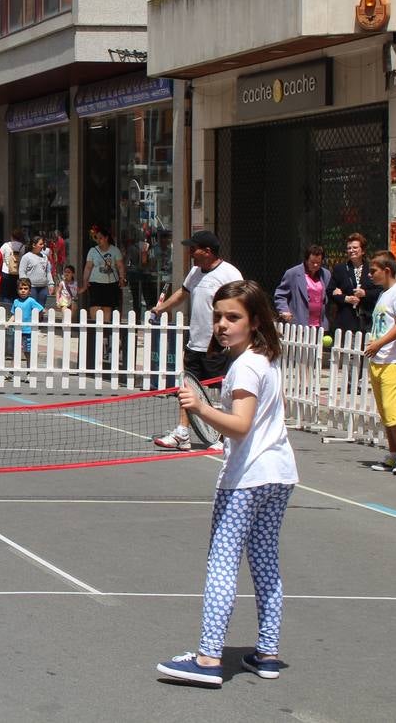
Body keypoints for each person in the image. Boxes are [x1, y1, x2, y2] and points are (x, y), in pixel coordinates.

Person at [157, 279, 297, 688]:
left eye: (232, 317)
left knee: (222, 563)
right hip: (279, 474)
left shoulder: (246, 366)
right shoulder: (263, 359)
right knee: (265, 560)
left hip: (248, 479)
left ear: (255, 321)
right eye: (218, 316)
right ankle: (267, 654)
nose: (222, 324)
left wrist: (199, 407)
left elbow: (239, 426)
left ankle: (207, 659)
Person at [151, 230, 243, 450]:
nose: (191, 253)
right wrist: (161, 308)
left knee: (224, 392)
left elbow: (242, 304)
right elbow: (182, 293)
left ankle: (224, 436)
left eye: (194, 249)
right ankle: (182, 433)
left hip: (219, 345)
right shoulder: (194, 272)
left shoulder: (230, 274)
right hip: (195, 343)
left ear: (208, 251)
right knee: (187, 389)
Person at [363, 251, 396, 476]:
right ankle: (394, 454)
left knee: (394, 410)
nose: (370, 275)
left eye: (373, 271)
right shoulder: (384, 294)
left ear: (387, 271)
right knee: (385, 411)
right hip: (380, 361)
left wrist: (379, 343)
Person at [330, 232, 381, 337]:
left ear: (363, 250)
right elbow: (330, 291)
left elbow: (379, 290)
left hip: (368, 319)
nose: (351, 250)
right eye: (349, 248)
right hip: (347, 320)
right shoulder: (340, 269)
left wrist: (365, 293)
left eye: (355, 247)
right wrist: (346, 298)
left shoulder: (372, 268)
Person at [273, 245, 330, 330]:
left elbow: (328, 294)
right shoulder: (293, 273)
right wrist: (284, 310)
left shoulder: (326, 274)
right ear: (306, 260)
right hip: (299, 325)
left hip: (320, 325)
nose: (315, 265)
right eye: (312, 262)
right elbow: (280, 295)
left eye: (318, 262)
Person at [79, 223, 125, 322]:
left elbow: (120, 266)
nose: (98, 240)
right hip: (95, 282)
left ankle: (105, 331)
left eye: (101, 238)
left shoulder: (115, 250)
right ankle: (95, 328)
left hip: (110, 282)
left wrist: (121, 278)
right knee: (94, 306)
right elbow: (88, 267)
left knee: (107, 307)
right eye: (97, 238)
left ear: (106, 238)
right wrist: (85, 281)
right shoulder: (92, 251)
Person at [10, 277, 45, 359]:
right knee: (15, 351)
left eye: (25, 289)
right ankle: (12, 369)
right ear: (17, 290)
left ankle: (29, 368)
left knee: (27, 352)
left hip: (28, 332)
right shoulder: (16, 301)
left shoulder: (31, 301)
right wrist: (8, 323)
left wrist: (36, 320)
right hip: (17, 330)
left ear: (29, 291)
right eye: (20, 288)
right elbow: (14, 315)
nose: (23, 290)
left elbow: (42, 310)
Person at [17, 236, 52, 308]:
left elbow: (48, 271)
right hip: (32, 288)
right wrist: (25, 286)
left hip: (43, 287)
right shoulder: (26, 257)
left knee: (41, 309)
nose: (43, 246)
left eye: (43, 244)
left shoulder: (45, 257)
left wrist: (51, 284)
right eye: (41, 244)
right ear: (33, 245)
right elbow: (22, 272)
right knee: (32, 308)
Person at [0, 229, 24, 302]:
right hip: (17, 272)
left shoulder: (6, 245)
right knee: (15, 293)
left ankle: (6, 310)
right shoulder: (23, 247)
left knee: (5, 293)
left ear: (12, 237)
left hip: (6, 271)